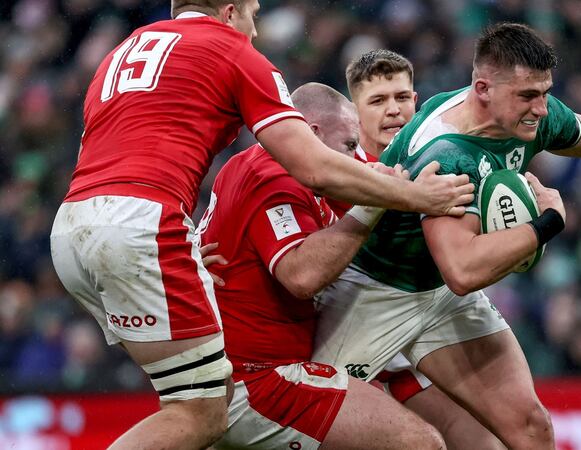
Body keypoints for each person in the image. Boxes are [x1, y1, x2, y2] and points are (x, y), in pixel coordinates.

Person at [49, 1, 472, 449]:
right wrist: (415, 196)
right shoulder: (233, 52)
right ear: (230, 12)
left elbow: (121, 156)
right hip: (145, 228)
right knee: (201, 411)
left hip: (75, 224)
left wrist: (177, 247)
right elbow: (313, 167)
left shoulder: (122, 51)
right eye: (253, 14)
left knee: (195, 403)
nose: (254, 31)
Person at [312, 23, 581, 450]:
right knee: (304, 430)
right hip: (375, 292)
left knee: (531, 427)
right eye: (528, 96)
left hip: (437, 293)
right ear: (483, 89)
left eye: (544, 93)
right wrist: (547, 223)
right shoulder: (447, 155)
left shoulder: (522, 116)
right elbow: (463, 270)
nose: (541, 108)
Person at [200, 82, 443, 449]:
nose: (356, 156)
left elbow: (376, 177)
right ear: (312, 134)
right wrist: (373, 204)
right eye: (349, 145)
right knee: (419, 443)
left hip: (245, 372)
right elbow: (301, 276)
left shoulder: (267, 163)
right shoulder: (272, 177)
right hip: (260, 381)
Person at [342, 49, 504, 450]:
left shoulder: (447, 162)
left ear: (416, 101)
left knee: (487, 441)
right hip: (350, 338)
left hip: (420, 336)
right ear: (354, 111)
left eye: (402, 97)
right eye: (377, 101)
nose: (393, 110)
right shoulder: (337, 173)